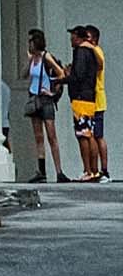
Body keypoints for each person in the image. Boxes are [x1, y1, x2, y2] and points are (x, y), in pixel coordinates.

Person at [25, 29, 69, 183]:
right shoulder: (33, 59)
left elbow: (61, 73)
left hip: (45, 99)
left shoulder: (46, 57)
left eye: (30, 41)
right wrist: (29, 61)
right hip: (34, 98)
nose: (28, 44)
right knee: (38, 136)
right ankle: (41, 170)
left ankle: (59, 171)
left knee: (52, 136)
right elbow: (25, 75)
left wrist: (52, 91)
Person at [66, 27, 102, 182]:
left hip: (80, 97)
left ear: (79, 38)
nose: (71, 40)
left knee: (82, 135)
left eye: (73, 37)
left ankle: (88, 170)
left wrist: (66, 77)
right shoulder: (92, 52)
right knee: (90, 134)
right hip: (90, 97)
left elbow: (78, 75)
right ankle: (94, 170)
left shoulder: (80, 52)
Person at [91, 24, 109, 184]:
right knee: (93, 136)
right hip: (94, 98)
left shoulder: (97, 51)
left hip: (97, 99)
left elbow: (100, 64)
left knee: (98, 136)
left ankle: (103, 170)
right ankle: (95, 170)